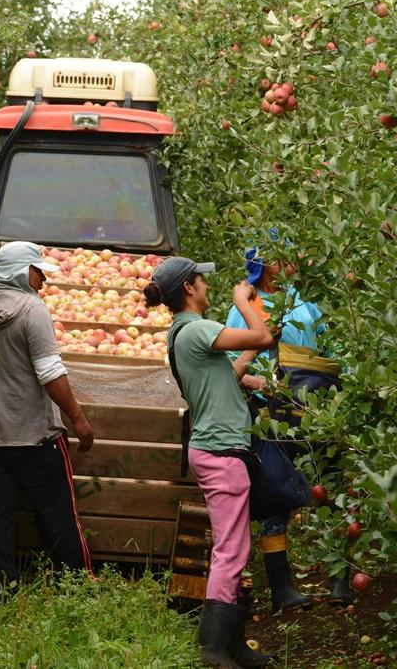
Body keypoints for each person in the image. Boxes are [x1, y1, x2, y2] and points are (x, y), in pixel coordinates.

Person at [145, 257, 274, 669]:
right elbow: (263, 335)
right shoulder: (198, 329)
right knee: (231, 550)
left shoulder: (182, 334)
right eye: (202, 280)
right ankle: (214, 649)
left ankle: (233, 646)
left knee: (235, 545)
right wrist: (244, 300)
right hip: (220, 451)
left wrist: (245, 372)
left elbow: (220, 374)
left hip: (215, 448)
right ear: (188, 287)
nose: (206, 286)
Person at [0, 241, 95, 585]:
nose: (42, 280)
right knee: (57, 515)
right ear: (20, 273)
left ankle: (3, 590)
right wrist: (77, 418)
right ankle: (73, 584)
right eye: (38, 272)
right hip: (37, 438)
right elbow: (50, 373)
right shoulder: (33, 311)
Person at [225, 242, 348, 609]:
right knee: (276, 494)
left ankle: (341, 575)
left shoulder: (304, 302)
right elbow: (231, 368)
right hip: (273, 416)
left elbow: (328, 348)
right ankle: (281, 585)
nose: (291, 260)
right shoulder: (244, 311)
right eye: (281, 255)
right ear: (265, 266)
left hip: (316, 410)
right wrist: (260, 384)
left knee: (333, 486)